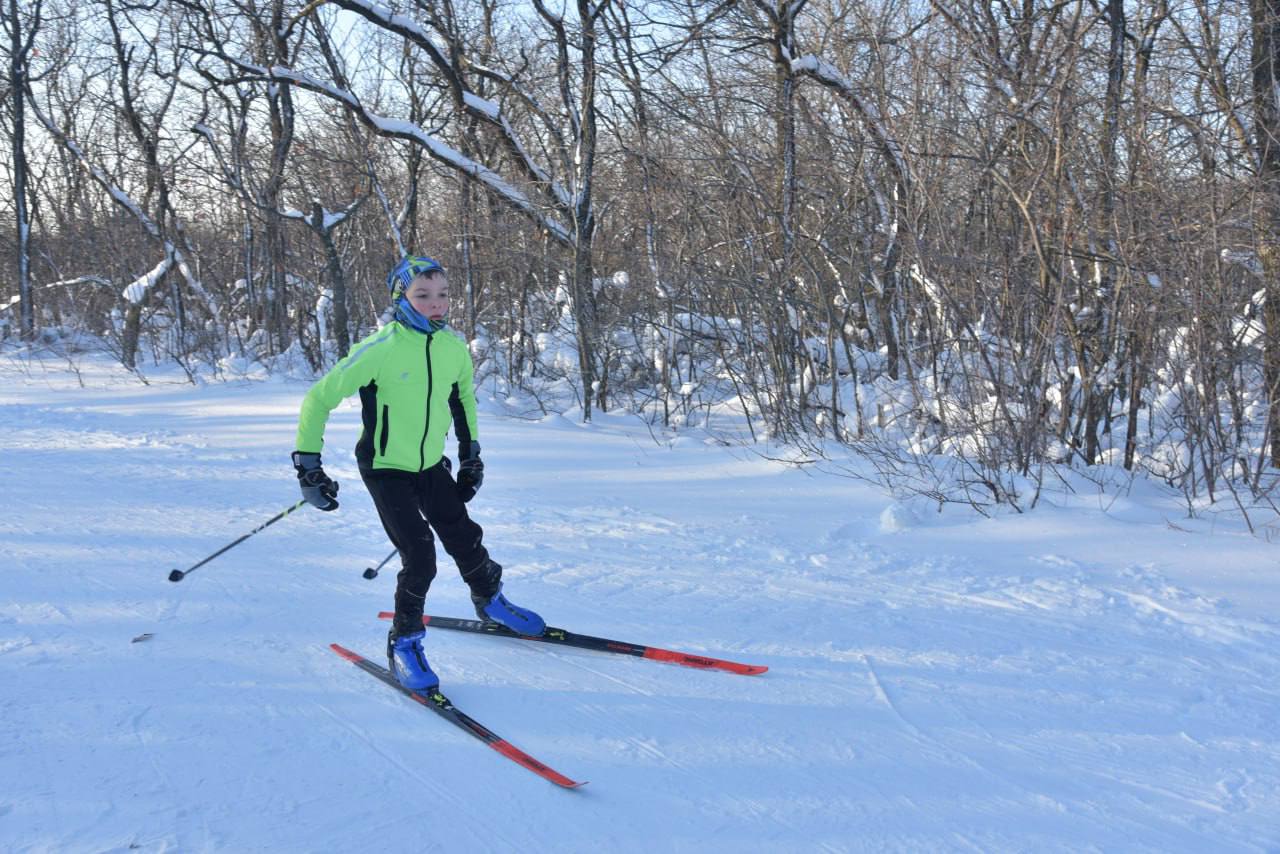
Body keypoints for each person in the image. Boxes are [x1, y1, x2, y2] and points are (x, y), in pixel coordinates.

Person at [291, 254, 545, 692]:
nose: (436, 304)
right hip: (386, 468)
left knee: (465, 536)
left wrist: (471, 456)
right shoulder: (381, 348)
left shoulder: (451, 348)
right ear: (401, 298)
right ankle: (405, 641)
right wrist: (308, 467)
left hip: (430, 465)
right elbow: (318, 399)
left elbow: (462, 400)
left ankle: (490, 600)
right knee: (420, 554)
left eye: (442, 295)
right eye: (423, 295)